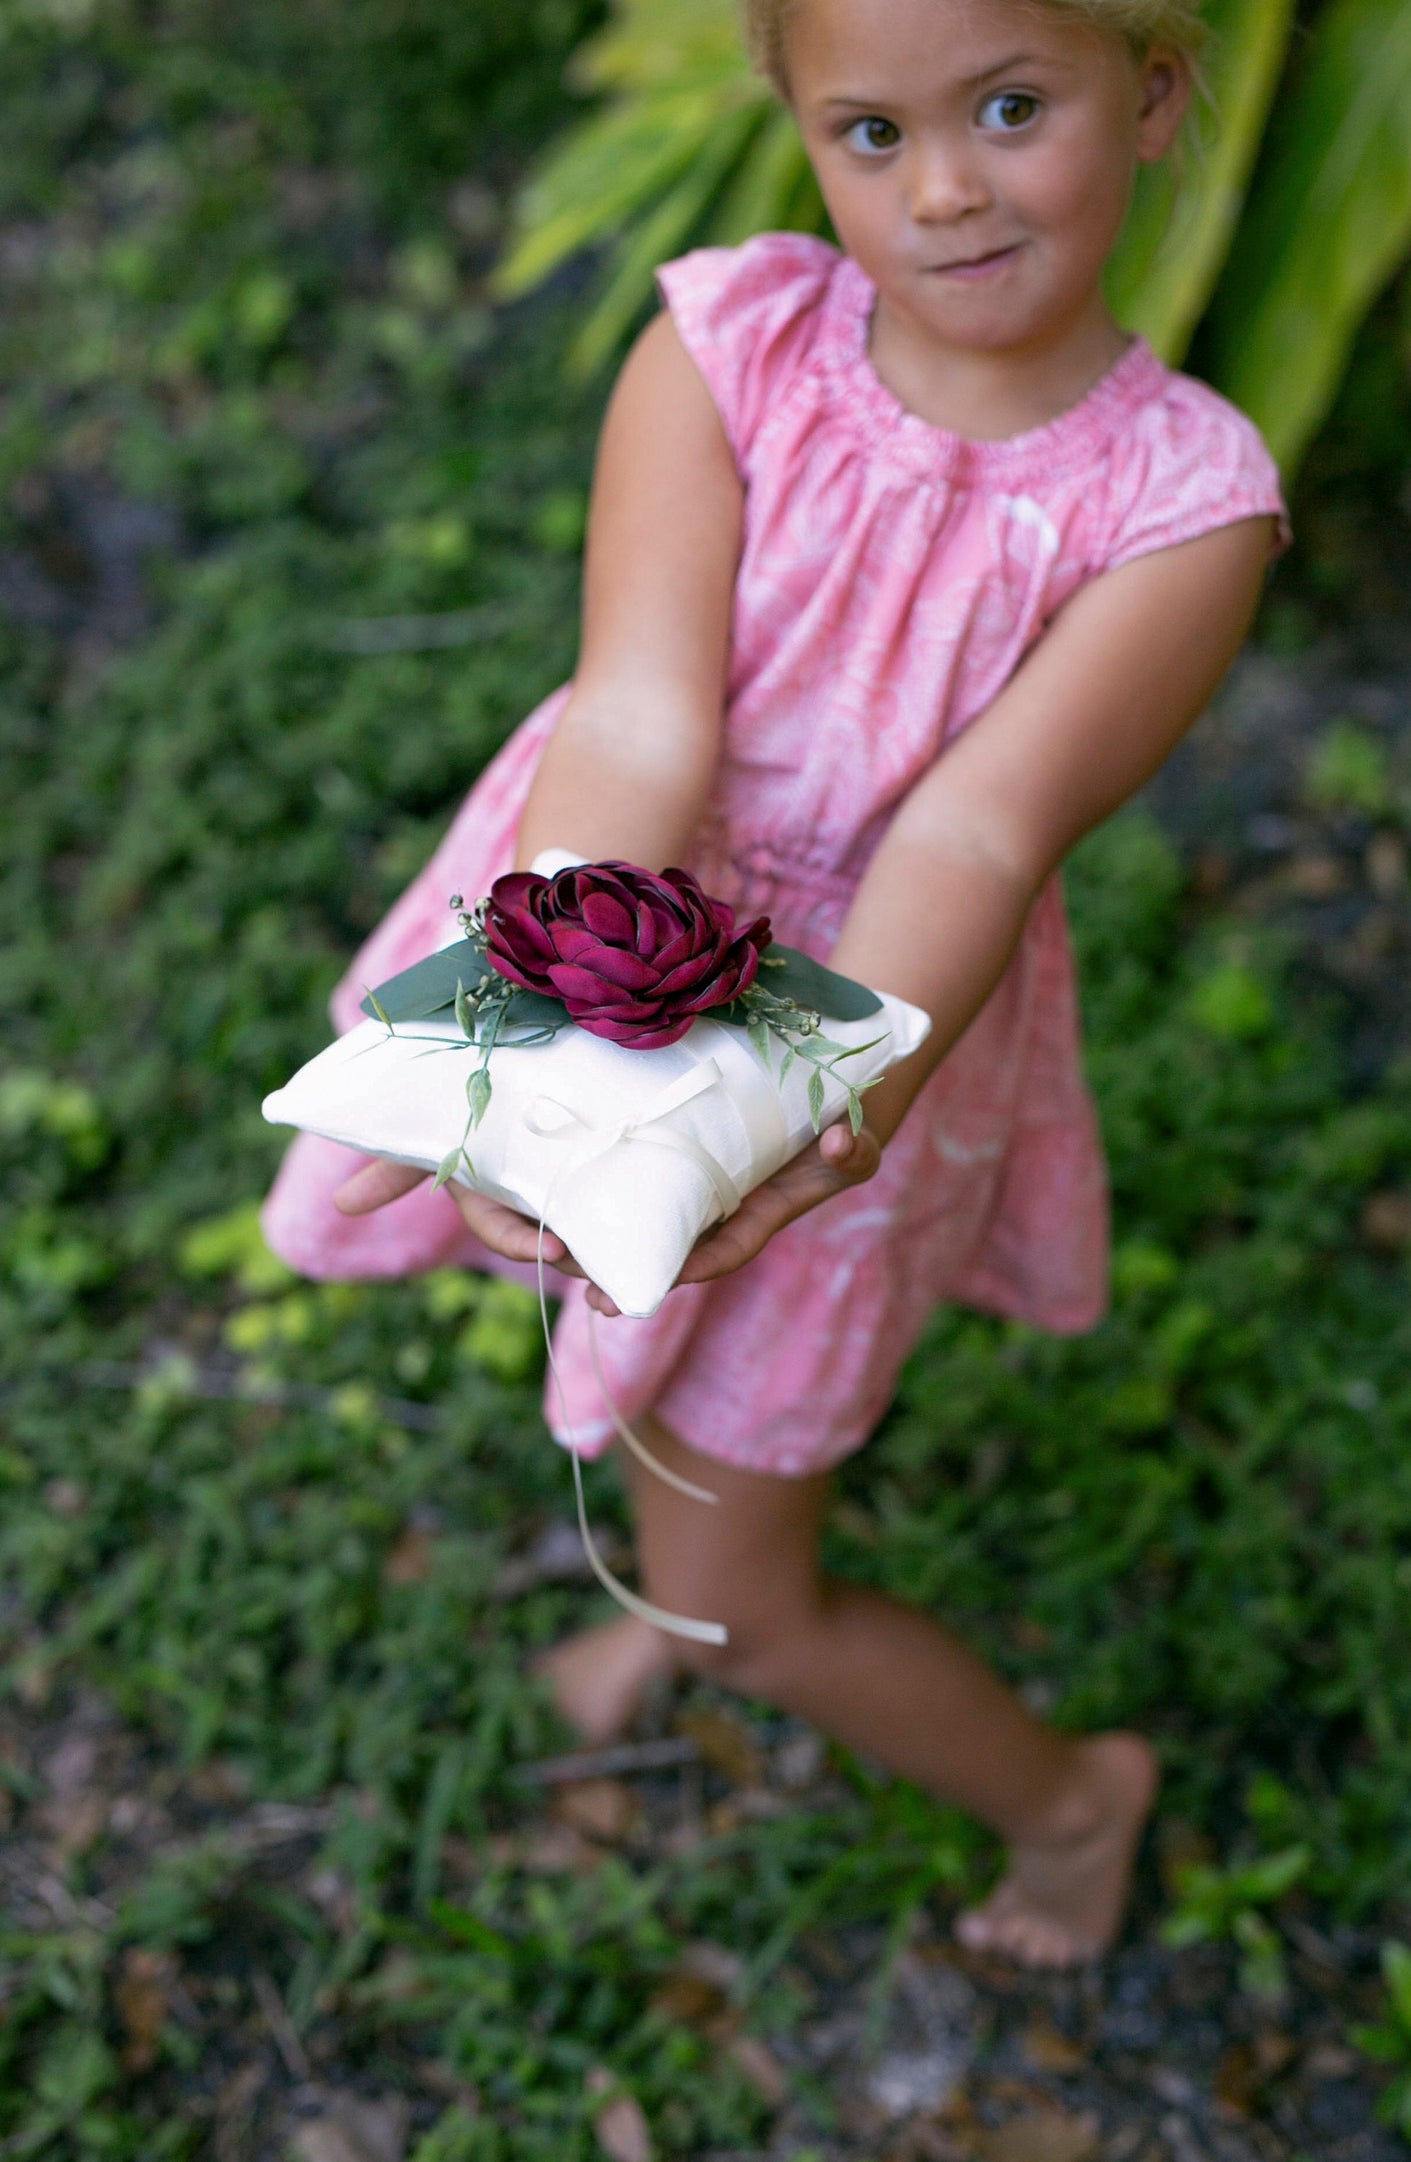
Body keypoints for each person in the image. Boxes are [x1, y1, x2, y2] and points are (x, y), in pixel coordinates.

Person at [263, 0, 1287, 1967]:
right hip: (614, 898)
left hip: (857, 1028)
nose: (951, 186)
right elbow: (645, 714)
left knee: (748, 1587)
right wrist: (556, 1051)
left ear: (1153, 95)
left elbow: (971, 843)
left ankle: (1069, 1798)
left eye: (1011, 107)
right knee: (622, 1315)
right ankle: (666, 1562)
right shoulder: (729, 348)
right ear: (798, 134)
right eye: (873, 132)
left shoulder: (1182, 506)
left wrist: (801, 1118)